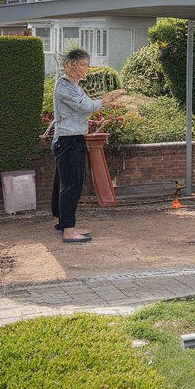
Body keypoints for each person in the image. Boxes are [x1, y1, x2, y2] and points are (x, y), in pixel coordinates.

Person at [50, 48, 124, 243]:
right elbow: (86, 106)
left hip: (69, 139)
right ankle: (69, 230)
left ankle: (63, 222)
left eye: (87, 64)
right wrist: (105, 101)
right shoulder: (64, 86)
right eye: (83, 64)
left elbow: (83, 110)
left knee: (63, 183)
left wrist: (96, 111)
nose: (86, 68)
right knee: (71, 184)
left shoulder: (73, 85)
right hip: (69, 141)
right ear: (70, 65)